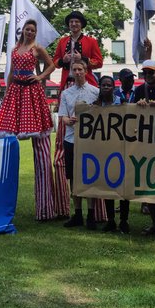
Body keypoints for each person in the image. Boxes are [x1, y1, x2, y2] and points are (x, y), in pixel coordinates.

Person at [0, 19, 59, 220]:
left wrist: (39, 78)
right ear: (23, 31)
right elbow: (12, 72)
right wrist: (8, 91)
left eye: (33, 30)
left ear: (35, 32)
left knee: (40, 144)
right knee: (8, 140)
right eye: (27, 30)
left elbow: (52, 66)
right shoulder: (14, 49)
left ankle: (46, 207)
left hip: (31, 92)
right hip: (16, 91)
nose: (30, 32)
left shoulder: (37, 49)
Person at [58, 61, 100, 229]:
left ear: (85, 71)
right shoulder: (66, 93)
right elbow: (62, 116)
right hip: (71, 139)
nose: (77, 72)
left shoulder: (95, 92)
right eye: (74, 70)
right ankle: (77, 214)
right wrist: (68, 120)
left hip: (90, 141)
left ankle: (91, 215)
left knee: (89, 177)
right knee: (74, 178)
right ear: (71, 72)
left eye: (80, 69)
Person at [93, 75, 130, 233]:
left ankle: (123, 221)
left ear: (113, 87)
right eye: (103, 85)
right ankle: (110, 220)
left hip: (120, 149)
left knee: (123, 187)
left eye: (109, 85)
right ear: (100, 87)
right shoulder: (94, 105)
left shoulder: (121, 103)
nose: (106, 87)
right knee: (108, 186)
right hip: (103, 151)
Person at [52, 11, 102, 87]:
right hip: (67, 82)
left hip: (86, 82)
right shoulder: (62, 41)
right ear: (69, 24)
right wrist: (63, 60)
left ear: (81, 24)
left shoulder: (91, 41)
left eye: (77, 22)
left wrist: (82, 59)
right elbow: (55, 62)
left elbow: (99, 62)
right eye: (71, 22)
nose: (74, 24)